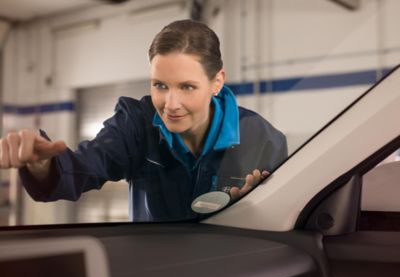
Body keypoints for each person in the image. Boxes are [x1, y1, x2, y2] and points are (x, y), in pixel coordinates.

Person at [0, 19, 287, 222]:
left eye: (186, 87)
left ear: (217, 82)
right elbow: (85, 167)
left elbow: (283, 219)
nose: (170, 105)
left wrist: (255, 209)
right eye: (160, 85)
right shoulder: (135, 124)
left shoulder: (262, 138)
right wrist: (42, 165)